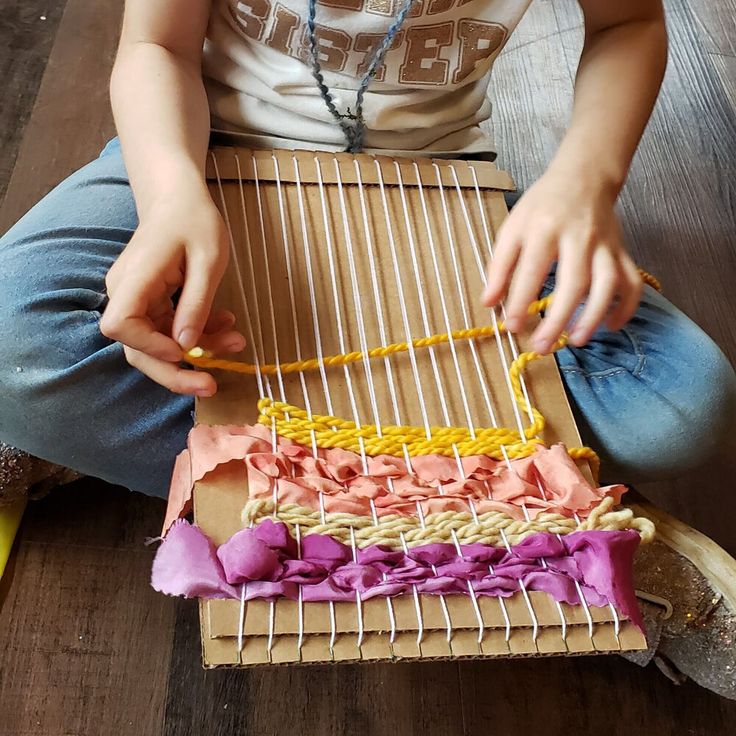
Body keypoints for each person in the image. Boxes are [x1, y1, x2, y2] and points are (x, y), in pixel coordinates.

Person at [0, 0, 735, 697]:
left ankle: (110, 435)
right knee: (11, 340)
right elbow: (155, 45)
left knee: (677, 410)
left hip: (439, 181)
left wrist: (585, 182)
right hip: (205, 151)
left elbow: (629, 22)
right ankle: (539, 536)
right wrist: (168, 199)